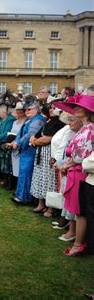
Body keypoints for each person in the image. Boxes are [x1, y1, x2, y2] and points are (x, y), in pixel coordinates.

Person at [55, 94, 94, 256]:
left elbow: (79, 156)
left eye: (79, 106)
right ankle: (79, 239)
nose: (75, 108)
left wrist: (66, 164)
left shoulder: (90, 129)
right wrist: (66, 165)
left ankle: (78, 244)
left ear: (87, 110)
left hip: (81, 172)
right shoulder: (85, 128)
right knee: (77, 209)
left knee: (80, 210)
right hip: (75, 171)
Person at [30, 103, 65, 217]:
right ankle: (41, 204)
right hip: (41, 153)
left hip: (49, 153)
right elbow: (37, 135)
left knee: (50, 179)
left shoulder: (60, 123)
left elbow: (48, 139)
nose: (51, 110)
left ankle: (51, 207)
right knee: (40, 177)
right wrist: (35, 139)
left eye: (54, 108)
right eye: (51, 108)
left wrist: (34, 141)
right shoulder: (49, 121)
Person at [8, 100, 45, 204]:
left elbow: (30, 134)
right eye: (25, 109)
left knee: (27, 172)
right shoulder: (29, 119)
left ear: (37, 109)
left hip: (32, 150)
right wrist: (15, 141)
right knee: (23, 172)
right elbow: (20, 133)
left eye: (29, 109)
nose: (26, 111)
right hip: (26, 150)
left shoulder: (38, 120)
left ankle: (25, 197)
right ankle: (21, 194)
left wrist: (18, 143)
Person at [4, 102, 26, 191]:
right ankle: (12, 183)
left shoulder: (25, 122)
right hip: (12, 146)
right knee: (13, 166)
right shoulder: (14, 122)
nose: (19, 113)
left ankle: (18, 186)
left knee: (19, 166)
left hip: (19, 146)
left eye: (21, 111)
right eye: (18, 111)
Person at [0, 104, 15, 188]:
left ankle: (8, 183)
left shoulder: (10, 120)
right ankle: (4, 181)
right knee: (1, 164)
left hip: (6, 144)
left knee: (6, 165)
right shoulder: (1, 120)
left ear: (4, 112)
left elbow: (6, 133)